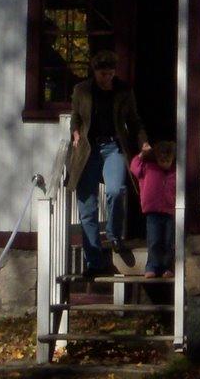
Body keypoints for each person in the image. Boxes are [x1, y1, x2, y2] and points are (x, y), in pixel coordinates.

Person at [68, 51, 147, 277]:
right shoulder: (81, 90)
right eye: (103, 74)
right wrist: (74, 132)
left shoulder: (123, 90)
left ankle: (114, 236)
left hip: (113, 147)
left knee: (115, 190)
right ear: (95, 73)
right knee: (87, 207)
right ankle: (94, 261)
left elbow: (134, 120)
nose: (107, 78)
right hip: (88, 150)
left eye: (111, 74)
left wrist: (143, 142)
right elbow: (76, 116)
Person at [131, 140, 178, 278]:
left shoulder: (175, 171)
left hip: (169, 211)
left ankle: (166, 267)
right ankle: (152, 266)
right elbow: (134, 166)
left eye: (168, 160)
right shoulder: (148, 167)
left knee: (168, 241)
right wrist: (142, 154)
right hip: (153, 211)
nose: (165, 162)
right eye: (162, 159)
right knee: (154, 240)